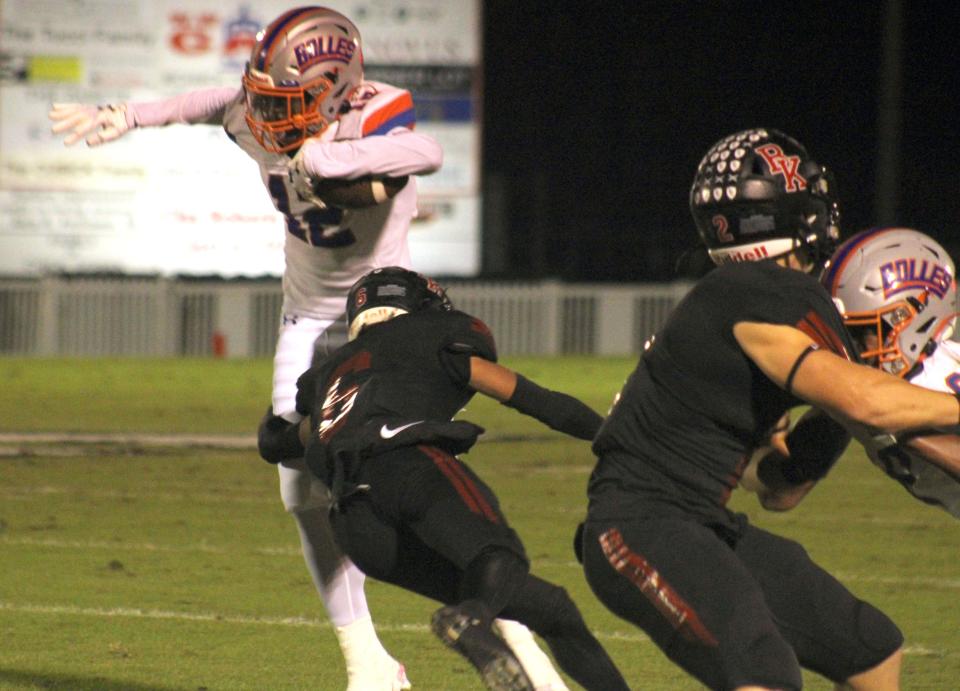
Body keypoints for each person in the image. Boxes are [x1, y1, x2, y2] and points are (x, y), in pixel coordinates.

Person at [46, 7, 558, 690]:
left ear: (335, 93)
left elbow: (424, 152)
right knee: (299, 488)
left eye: (283, 101)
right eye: (264, 94)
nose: (262, 113)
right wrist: (133, 114)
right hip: (306, 318)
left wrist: (325, 158)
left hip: (385, 320)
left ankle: (515, 630)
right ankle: (367, 661)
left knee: (416, 488)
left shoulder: (370, 119)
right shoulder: (260, 113)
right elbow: (214, 103)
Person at [577, 128, 960, 691]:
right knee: (764, 673)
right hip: (640, 525)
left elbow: (783, 492)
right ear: (799, 212)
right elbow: (865, 401)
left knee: (868, 647)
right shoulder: (763, 294)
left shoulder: (746, 293)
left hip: (701, 521)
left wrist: (797, 445)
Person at [258, 266, 631, 691]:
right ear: (419, 309)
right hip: (410, 468)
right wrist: (613, 436)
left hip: (354, 525)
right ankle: (470, 618)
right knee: (498, 557)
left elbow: (276, 442)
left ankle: (473, 613)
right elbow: (535, 400)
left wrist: (274, 418)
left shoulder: (334, 374)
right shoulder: (432, 337)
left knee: (552, 608)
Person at [821, 226, 960, 516]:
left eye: (866, 332)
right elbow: (780, 492)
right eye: (846, 333)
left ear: (916, 320)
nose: (852, 349)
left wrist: (907, 433)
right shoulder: (860, 390)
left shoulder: (941, 378)